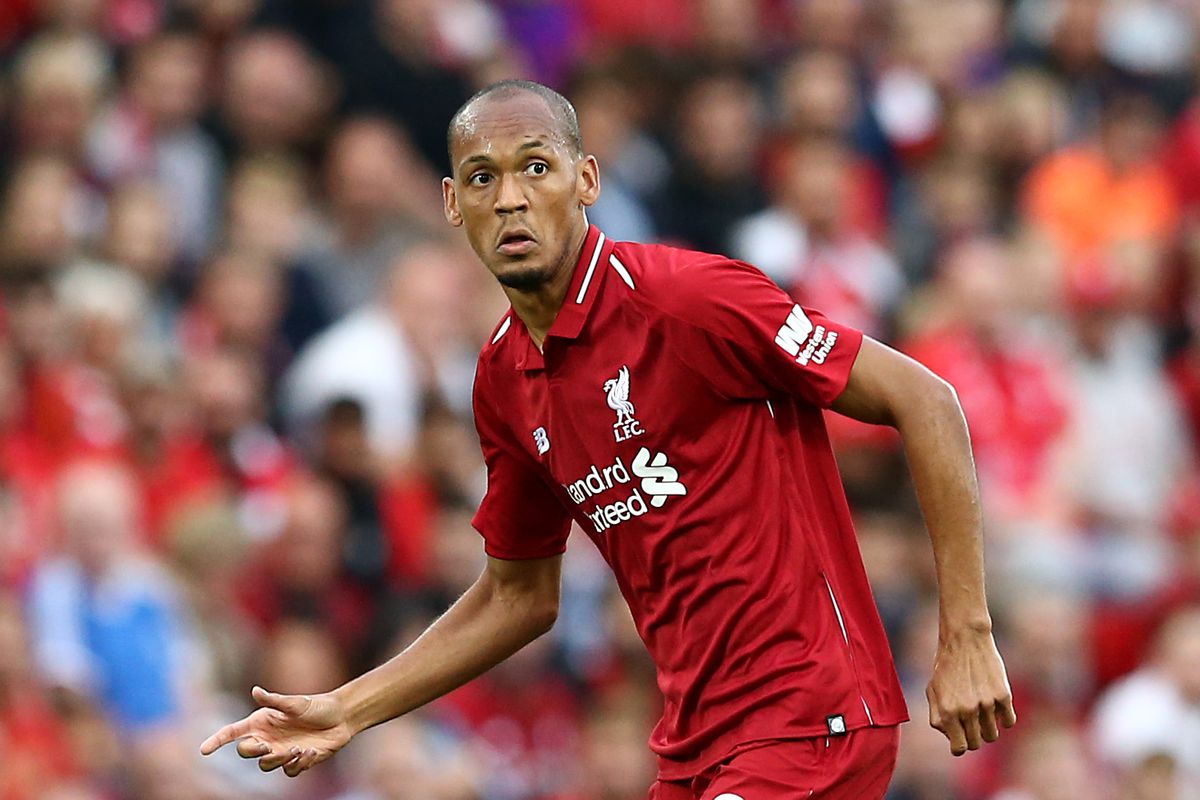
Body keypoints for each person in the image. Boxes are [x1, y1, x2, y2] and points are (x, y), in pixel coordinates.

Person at [201, 80, 1016, 798]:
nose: (511, 198)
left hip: (812, 720)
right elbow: (519, 595)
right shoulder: (503, 379)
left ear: (586, 180)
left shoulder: (690, 299)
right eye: (483, 178)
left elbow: (926, 398)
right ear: (451, 203)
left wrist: (968, 634)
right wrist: (349, 708)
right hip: (695, 745)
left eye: (536, 167)